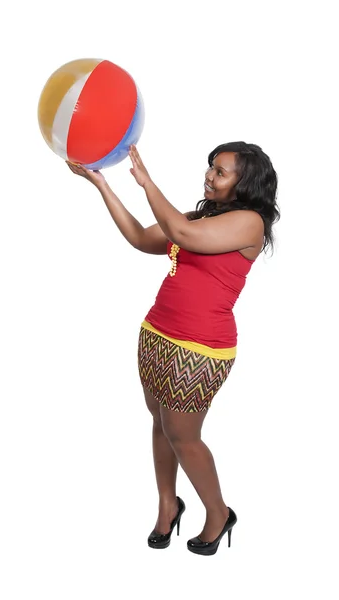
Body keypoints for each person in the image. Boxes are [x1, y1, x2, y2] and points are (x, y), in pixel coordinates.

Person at [66, 141, 280, 556]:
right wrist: (101, 185)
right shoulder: (203, 215)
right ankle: (168, 503)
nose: (209, 176)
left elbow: (182, 234)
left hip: (201, 350)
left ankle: (218, 512)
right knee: (160, 423)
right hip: (157, 334)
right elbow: (140, 238)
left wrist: (146, 182)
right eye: (210, 168)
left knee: (184, 435)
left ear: (246, 182)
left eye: (221, 172)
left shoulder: (249, 223)